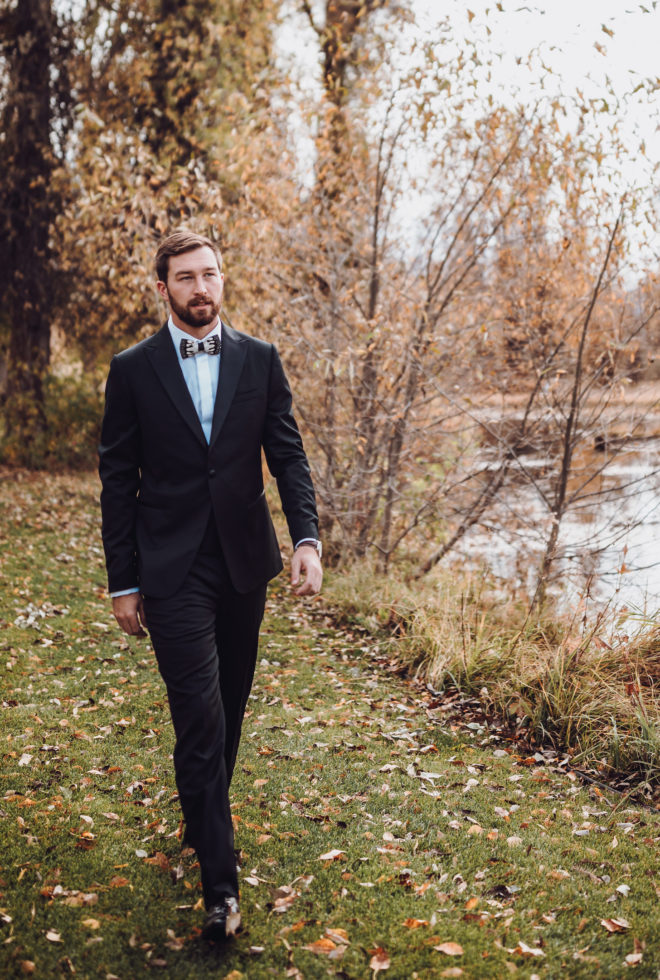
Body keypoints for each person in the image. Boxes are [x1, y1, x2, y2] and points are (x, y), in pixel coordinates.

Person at [98, 230, 322, 941]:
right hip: (169, 566)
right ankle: (221, 892)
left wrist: (307, 539)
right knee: (199, 714)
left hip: (242, 560)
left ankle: (201, 815)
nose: (201, 288)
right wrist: (122, 581)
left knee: (227, 704)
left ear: (223, 281)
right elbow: (115, 480)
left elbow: (286, 452)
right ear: (162, 287)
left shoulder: (260, 358)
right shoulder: (132, 369)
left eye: (211, 275)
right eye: (186, 278)